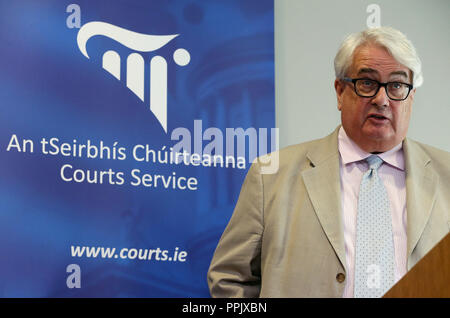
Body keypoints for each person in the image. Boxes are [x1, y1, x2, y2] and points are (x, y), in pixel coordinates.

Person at [207, 26, 450, 298]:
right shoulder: (271, 176)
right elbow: (229, 279)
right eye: (368, 83)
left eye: (396, 85)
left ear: (411, 96)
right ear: (340, 91)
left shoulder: (446, 176)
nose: (382, 100)